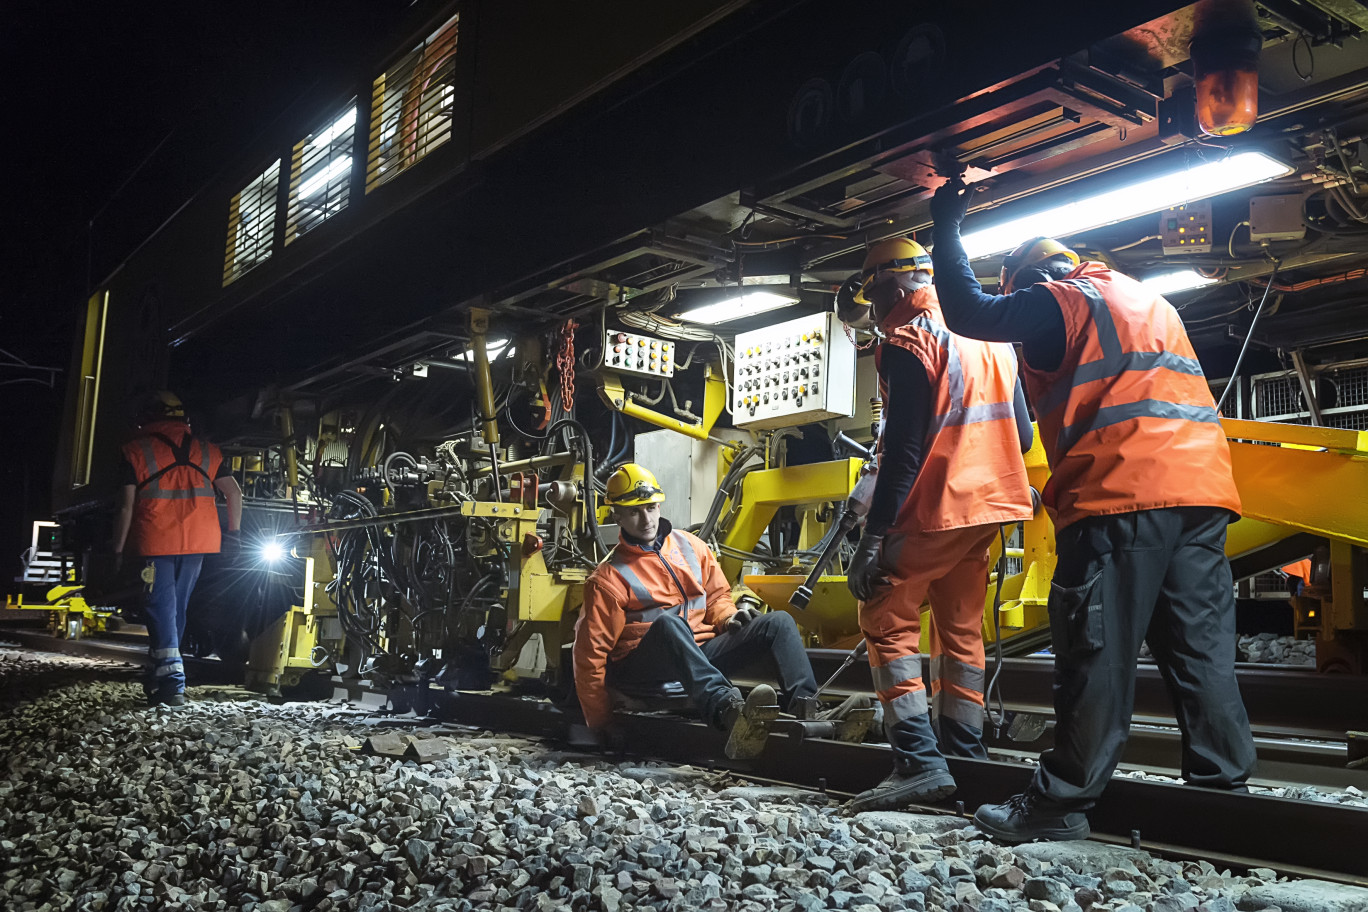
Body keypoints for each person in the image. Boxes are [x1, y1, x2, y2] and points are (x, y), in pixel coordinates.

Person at [928, 178, 1256, 842]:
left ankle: (1057, 805)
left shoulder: (1059, 301)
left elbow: (967, 312)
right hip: (1201, 497)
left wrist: (946, 227)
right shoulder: (1147, 299)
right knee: (1201, 652)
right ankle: (1224, 800)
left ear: (1032, 279)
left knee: (1094, 650)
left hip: (1118, 497)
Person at [838, 238, 1035, 812]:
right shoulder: (985, 332)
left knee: (884, 611)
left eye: (874, 297)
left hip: (939, 505)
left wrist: (872, 540)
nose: (874, 312)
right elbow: (1021, 436)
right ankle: (965, 756)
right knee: (960, 628)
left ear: (892, 288)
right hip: (992, 506)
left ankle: (918, 762)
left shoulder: (908, 338)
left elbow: (901, 451)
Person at [573, 463, 857, 759]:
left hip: (696, 652)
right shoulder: (607, 579)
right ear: (616, 515)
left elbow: (717, 596)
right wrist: (602, 722)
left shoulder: (690, 545)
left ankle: (806, 708)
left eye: (650, 507)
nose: (646, 518)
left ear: (659, 504)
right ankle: (728, 711)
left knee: (779, 622)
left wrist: (727, 617)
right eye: (634, 511)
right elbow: (588, 657)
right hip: (641, 671)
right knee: (670, 625)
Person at [112, 391, 243, 708]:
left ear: (147, 418)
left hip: (156, 542)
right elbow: (234, 493)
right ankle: (161, 675)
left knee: (159, 608)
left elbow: (126, 508)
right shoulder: (208, 451)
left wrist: (116, 550)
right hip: (199, 542)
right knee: (175, 609)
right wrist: (234, 534)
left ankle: (172, 683)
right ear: (183, 419)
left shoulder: (135, 450)